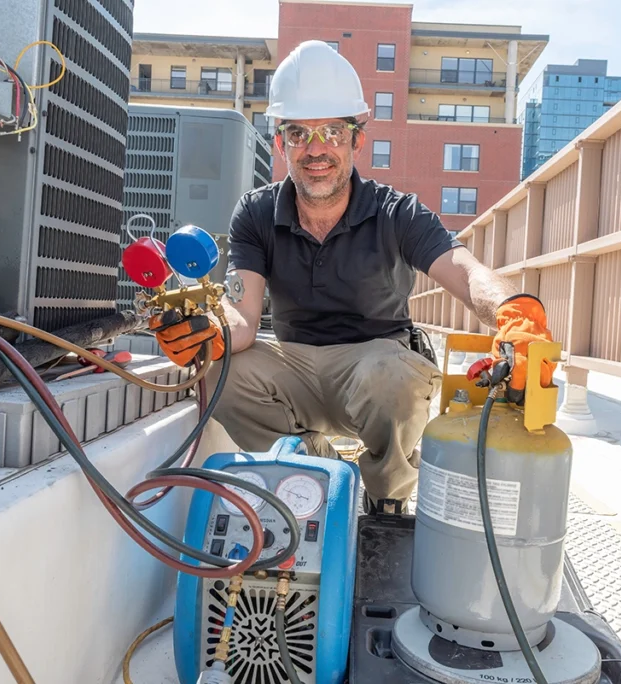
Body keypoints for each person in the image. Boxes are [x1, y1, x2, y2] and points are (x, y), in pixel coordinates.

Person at [151, 41, 555, 513]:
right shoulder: (257, 213)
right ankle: (315, 473)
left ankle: (387, 500)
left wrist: (515, 313)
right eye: (298, 133)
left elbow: (465, 272)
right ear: (280, 144)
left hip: (376, 365)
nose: (316, 149)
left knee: (392, 376)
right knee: (219, 371)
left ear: (356, 140)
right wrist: (210, 333)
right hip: (296, 365)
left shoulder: (397, 213)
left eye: (332, 132)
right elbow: (242, 316)